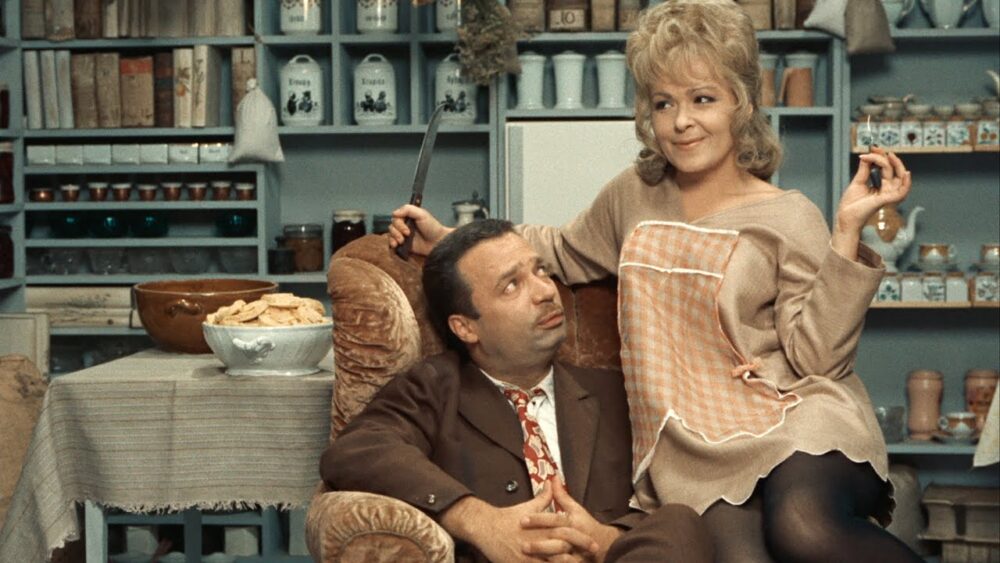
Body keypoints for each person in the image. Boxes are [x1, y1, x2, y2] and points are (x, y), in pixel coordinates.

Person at [387, 1, 923, 561]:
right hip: (693, 441)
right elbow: (558, 249)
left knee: (802, 528)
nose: (681, 122)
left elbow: (818, 360)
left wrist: (845, 232)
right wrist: (447, 239)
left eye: (703, 99)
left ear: (741, 102)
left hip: (795, 417)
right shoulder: (634, 195)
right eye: (664, 103)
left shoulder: (788, 215)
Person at [322, 220, 714, 563]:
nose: (545, 291)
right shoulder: (434, 387)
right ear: (465, 327)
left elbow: (671, 495)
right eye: (512, 285)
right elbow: (356, 450)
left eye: (541, 271)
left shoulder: (615, 392)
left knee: (680, 523)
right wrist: (478, 520)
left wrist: (604, 540)